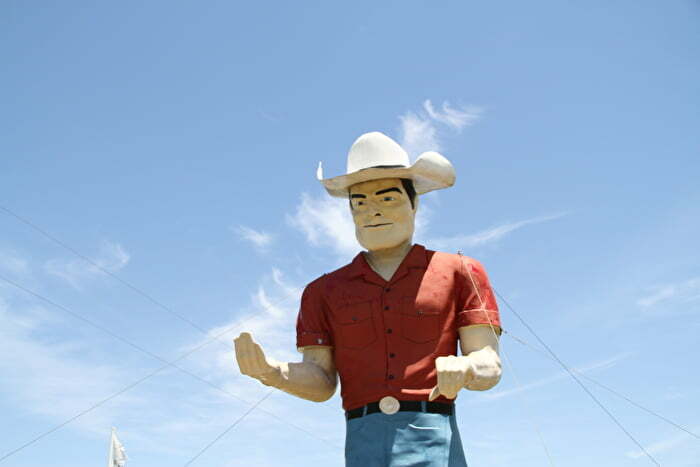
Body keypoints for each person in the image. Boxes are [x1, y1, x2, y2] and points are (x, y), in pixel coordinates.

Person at [235, 131, 502, 466]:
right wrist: (271, 372)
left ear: (414, 202)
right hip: (361, 444)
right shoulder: (322, 292)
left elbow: (489, 362)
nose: (372, 212)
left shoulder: (460, 271)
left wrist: (466, 366)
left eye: (387, 198)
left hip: (436, 442)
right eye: (359, 203)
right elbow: (321, 381)